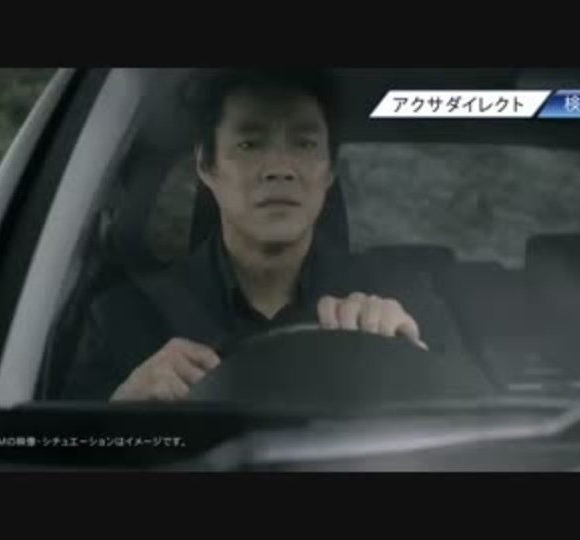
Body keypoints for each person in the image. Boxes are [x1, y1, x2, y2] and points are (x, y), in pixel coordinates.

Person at [61, 69, 467, 402]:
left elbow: (482, 434)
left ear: (330, 169)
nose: (279, 169)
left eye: (304, 143)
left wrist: (416, 359)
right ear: (206, 166)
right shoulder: (125, 318)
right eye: (249, 143)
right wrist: (122, 411)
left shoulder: (405, 301)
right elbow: (59, 450)